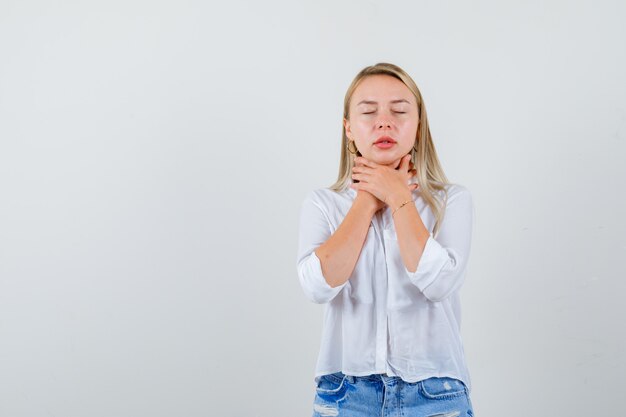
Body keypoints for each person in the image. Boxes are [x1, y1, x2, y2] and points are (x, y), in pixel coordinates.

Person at [296, 62, 476, 417]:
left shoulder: (451, 200)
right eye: (368, 112)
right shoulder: (323, 204)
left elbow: (439, 283)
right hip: (345, 393)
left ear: (419, 125)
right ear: (348, 128)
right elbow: (318, 286)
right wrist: (367, 200)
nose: (384, 122)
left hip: (435, 394)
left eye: (399, 111)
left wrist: (399, 198)